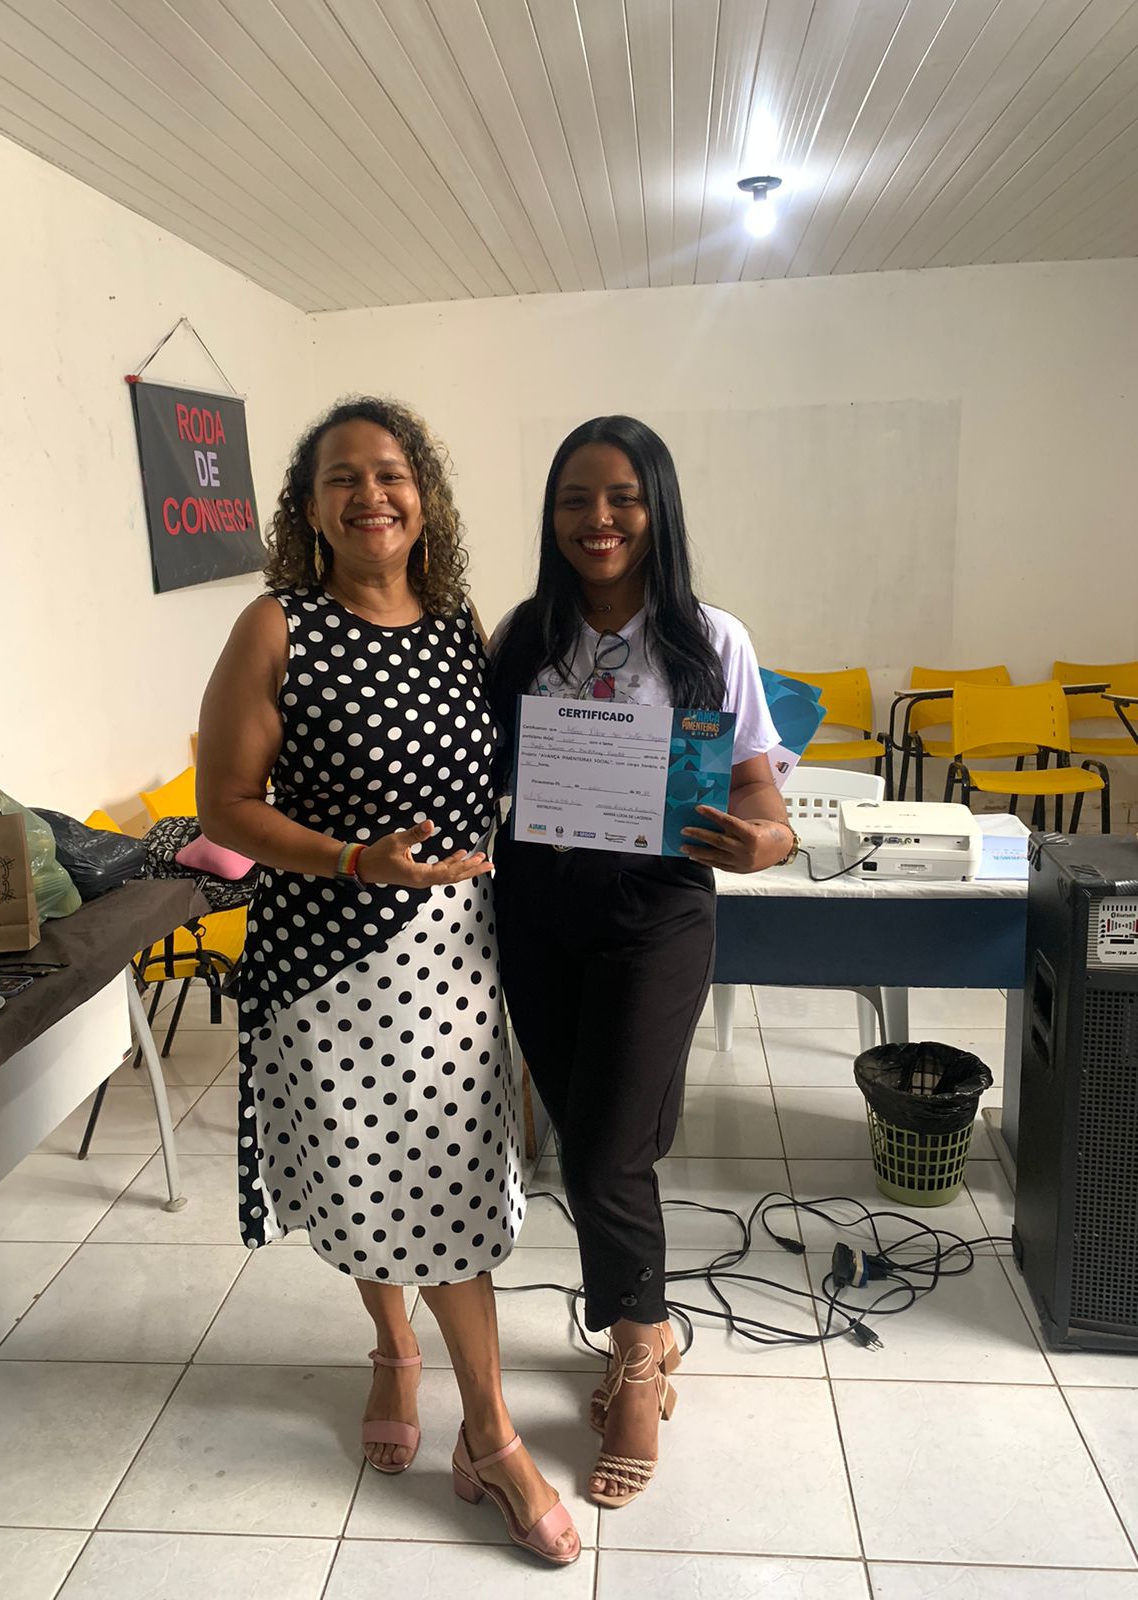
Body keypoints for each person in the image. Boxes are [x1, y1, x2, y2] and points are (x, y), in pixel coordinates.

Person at [197, 396, 579, 1565]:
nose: (372, 494)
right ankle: (400, 1352)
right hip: (330, 957)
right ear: (308, 510)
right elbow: (227, 807)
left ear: (425, 497)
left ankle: (487, 1427)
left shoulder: (461, 625)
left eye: (392, 473)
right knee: (365, 1169)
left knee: (452, 1181)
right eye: (343, 478)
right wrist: (356, 859)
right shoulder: (276, 626)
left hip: (454, 953)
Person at [489, 415, 794, 1511]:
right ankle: (646, 1328)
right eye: (575, 498)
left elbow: (758, 792)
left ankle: (635, 1348)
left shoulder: (711, 639)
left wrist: (768, 840)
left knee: (609, 1150)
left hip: (658, 905)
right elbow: (483, 775)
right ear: (551, 515)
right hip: (537, 902)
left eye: (622, 497)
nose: (599, 519)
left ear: (657, 507)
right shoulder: (523, 635)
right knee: (592, 1138)